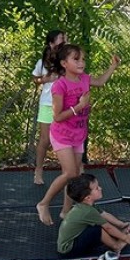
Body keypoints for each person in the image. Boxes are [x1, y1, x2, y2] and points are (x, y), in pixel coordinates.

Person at [35, 44, 121, 226]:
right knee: (70, 173)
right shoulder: (60, 85)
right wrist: (79, 107)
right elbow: (57, 117)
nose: (81, 62)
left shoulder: (84, 79)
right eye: (76, 59)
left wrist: (112, 67)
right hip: (62, 134)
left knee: (75, 176)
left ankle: (66, 211)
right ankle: (43, 203)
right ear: (64, 63)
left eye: (83, 59)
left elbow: (101, 81)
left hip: (78, 133)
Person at [57, 173, 130, 258]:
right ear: (88, 197)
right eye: (97, 188)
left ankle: (114, 238)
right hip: (68, 250)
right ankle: (116, 246)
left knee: (97, 225)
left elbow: (104, 214)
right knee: (96, 229)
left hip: (75, 240)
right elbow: (108, 228)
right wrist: (125, 238)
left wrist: (121, 224)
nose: (100, 188)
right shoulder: (88, 211)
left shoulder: (86, 205)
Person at [32, 30, 67, 184]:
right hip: (47, 104)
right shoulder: (42, 62)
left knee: (66, 139)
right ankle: (38, 170)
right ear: (51, 43)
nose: (64, 40)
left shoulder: (68, 60)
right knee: (45, 140)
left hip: (66, 105)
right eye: (61, 38)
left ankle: (68, 171)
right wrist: (44, 79)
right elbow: (35, 79)